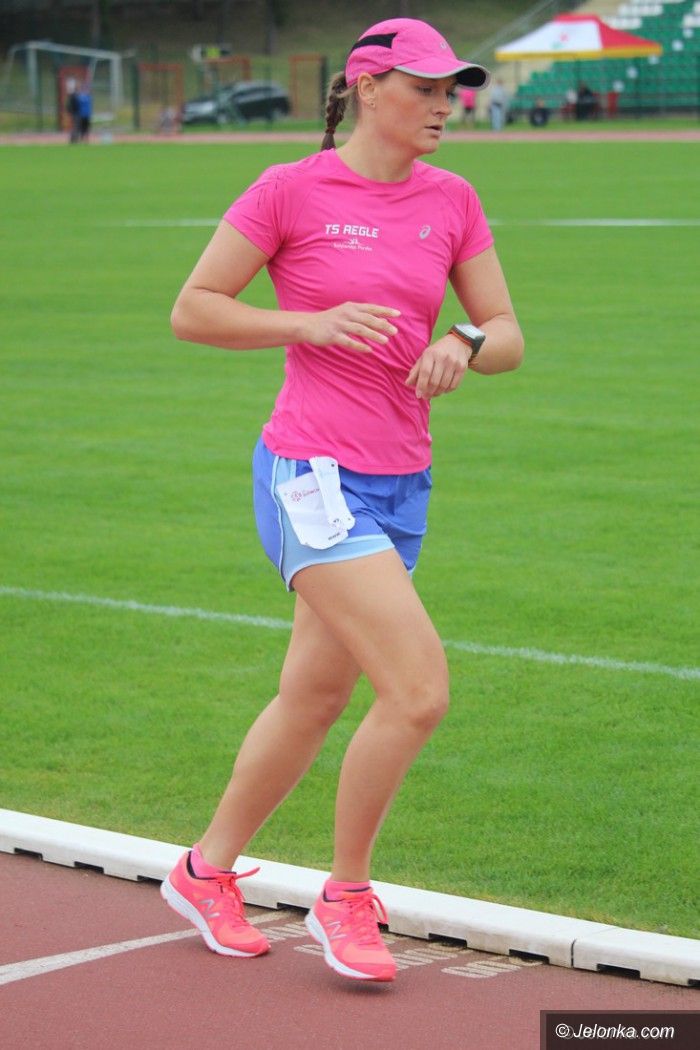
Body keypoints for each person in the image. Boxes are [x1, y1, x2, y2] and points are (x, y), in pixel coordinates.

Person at [161, 17, 524, 983]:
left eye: (451, 91)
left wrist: (465, 342)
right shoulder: (290, 188)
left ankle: (204, 871)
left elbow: (505, 330)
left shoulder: (453, 198)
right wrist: (308, 323)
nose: (445, 106)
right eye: (425, 88)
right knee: (417, 690)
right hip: (311, 475)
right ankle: (347, 896)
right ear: (367, 87)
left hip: (403, 479)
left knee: (314, 697)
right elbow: (194, 309)